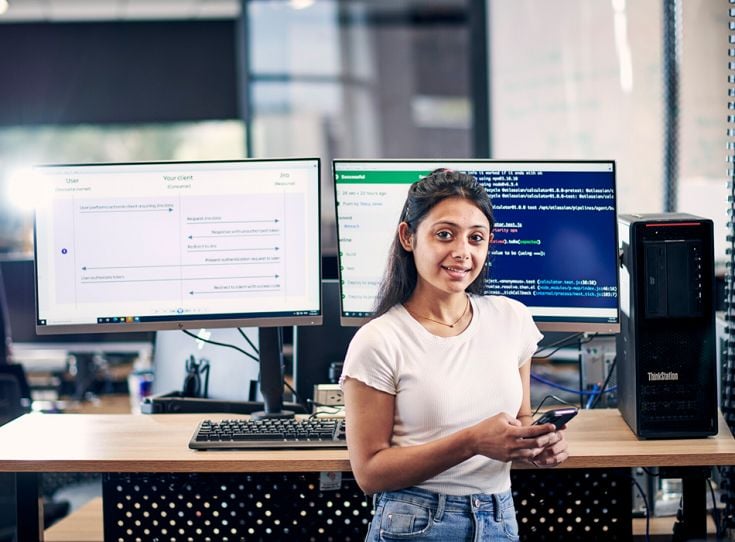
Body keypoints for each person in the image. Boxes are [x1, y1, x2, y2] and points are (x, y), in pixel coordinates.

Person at [340, 168, 569, 541]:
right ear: (408, 237)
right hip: (416, 521)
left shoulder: (512, 318)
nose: (462, 252)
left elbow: (521, 418)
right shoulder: (379, 340)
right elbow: (370, 473)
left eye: (476, 238)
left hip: (499, 517)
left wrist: (537, 445)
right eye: (444, 234)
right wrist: (472, 441)